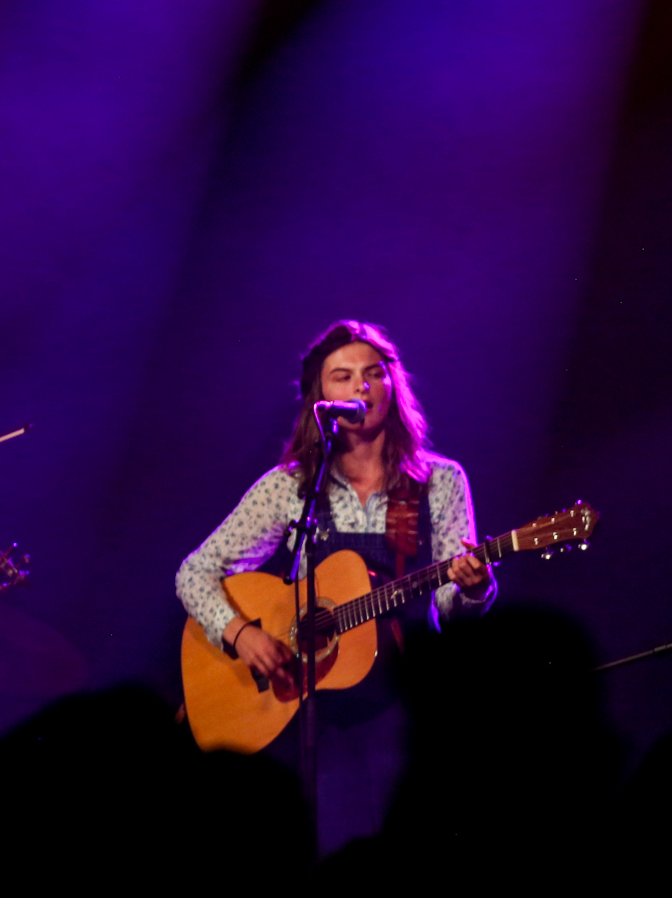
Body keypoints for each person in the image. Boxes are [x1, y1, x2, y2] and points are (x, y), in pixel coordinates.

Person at [176, 319, 495, 848]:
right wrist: (240, 633)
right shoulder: (291, 486)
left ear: (394, 385)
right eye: (343, 377)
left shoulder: (439, 481)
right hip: (313, 712)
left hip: (406, 704)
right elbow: (195, 571)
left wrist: (472, 587)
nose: (361, 388)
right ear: (319, 396)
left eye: (373, 374)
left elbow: (449, 609)